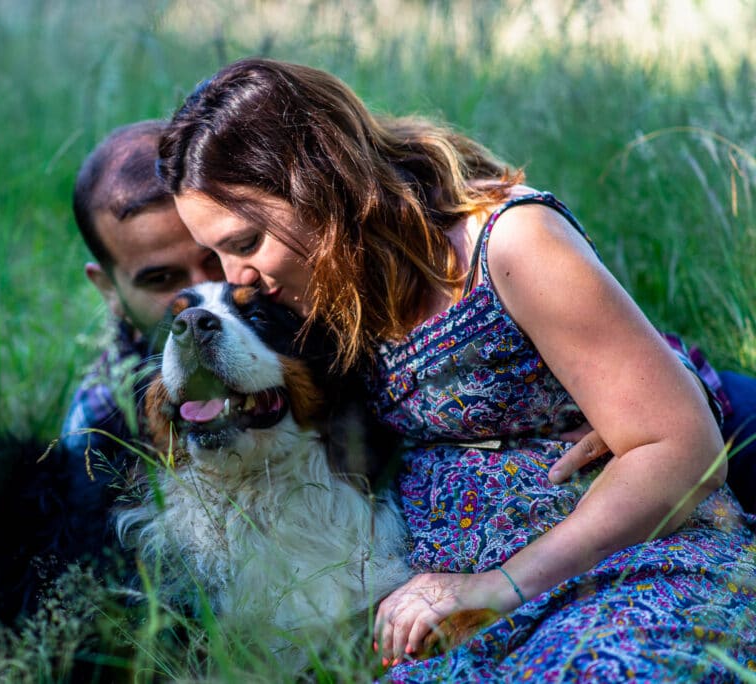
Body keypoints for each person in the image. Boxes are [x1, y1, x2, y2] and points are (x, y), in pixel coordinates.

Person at [155, 58, 756, 680]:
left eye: (246, 243)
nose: (235, 277)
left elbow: (681, 447)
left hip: (610, 567)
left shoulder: (509, 242)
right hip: (431, 608)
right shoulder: (320, 291)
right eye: (217, 253)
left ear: (318, 184)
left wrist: (500, 585)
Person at [60, 120, 223, 475]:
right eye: (162, 279)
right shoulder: (100, 426)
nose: (202, 297)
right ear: (110, 291)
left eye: (216, 256)